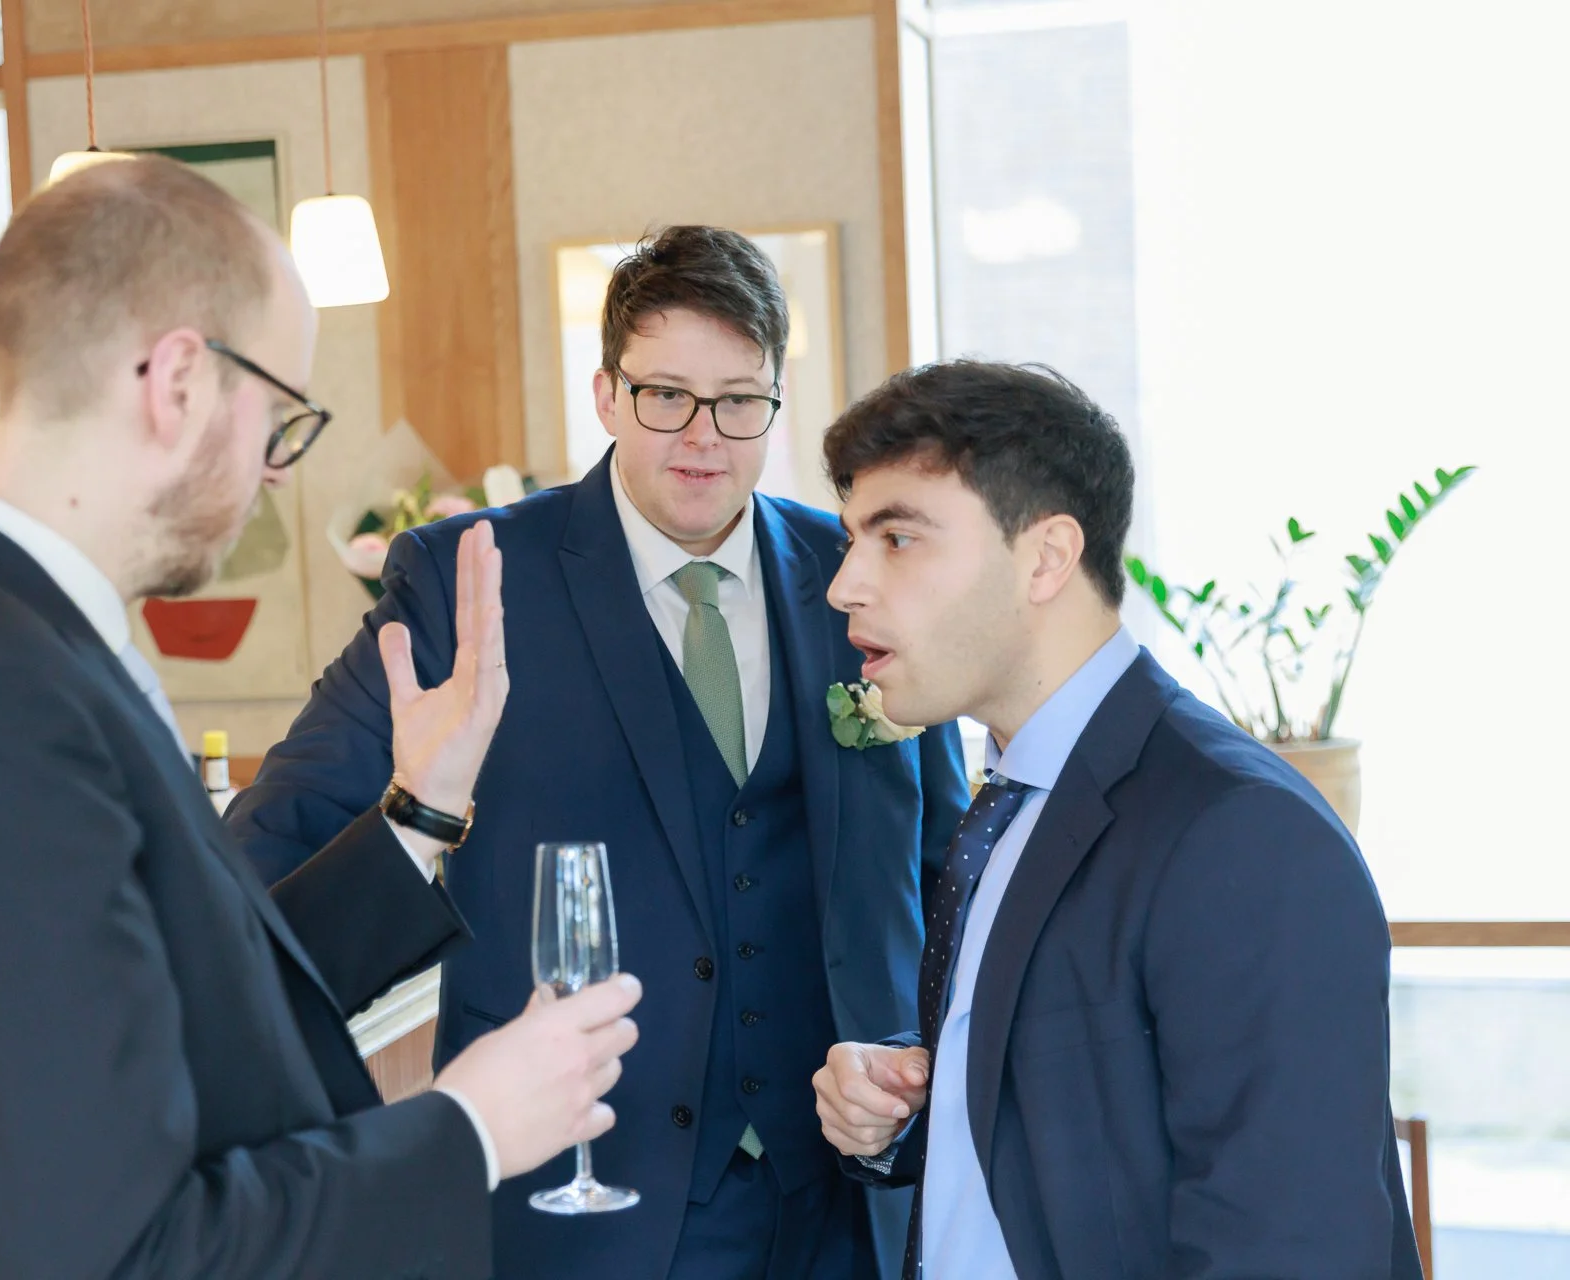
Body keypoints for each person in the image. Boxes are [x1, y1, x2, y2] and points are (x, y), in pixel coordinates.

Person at [0, 155, 640, 1278]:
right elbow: (125, 1248)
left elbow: (185, 1001)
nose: (278, 475)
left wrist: (421, 808)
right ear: (179, 381)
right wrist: (469, 1125)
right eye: (280, 418)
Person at [228, 226, 970, 1280]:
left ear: (777, 399)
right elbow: (260, 866)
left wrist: (919, 1073)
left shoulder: (856, 575)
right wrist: (415, 804)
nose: (702, 436)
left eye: (738, 400)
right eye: (665, 393)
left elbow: (951, 882)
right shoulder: (466, 581)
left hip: (844, 1207)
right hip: (582, 1201)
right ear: (606, 393)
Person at [811, 361, 1419, 1279]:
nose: (845, 584)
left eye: (897, 538)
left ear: (1047, 557)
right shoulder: (1009, 799)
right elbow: (1086, 1097)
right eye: (854, 537)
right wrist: (903, 1099)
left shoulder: (1243, 833)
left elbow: (1294, 1245)